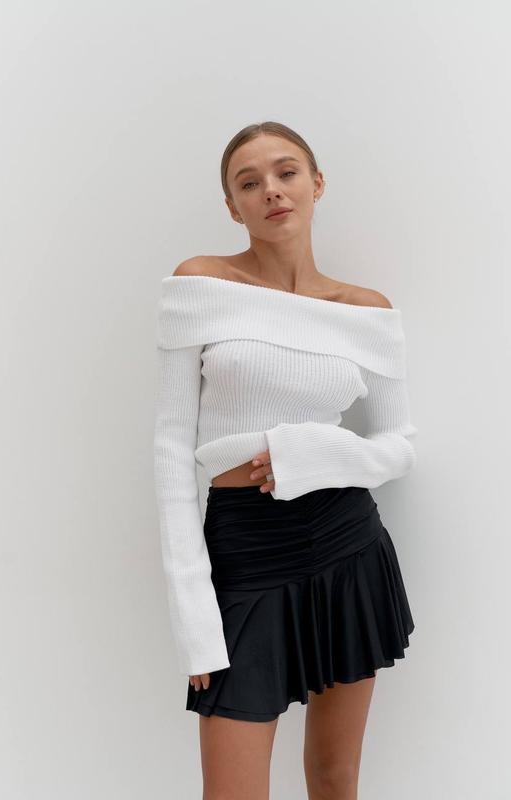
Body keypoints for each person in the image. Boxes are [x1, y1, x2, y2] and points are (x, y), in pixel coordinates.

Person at [153, 120, 417, 799]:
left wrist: (323, 452)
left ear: (316, 183)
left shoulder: (365, 310)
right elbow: (171, 450)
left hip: (346, 542)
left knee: (333, 777)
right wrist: (193, 616)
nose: (270, 189)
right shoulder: (200, 283)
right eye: (249, 182)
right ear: (232, 206)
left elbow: (399, 445)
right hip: (244, 547)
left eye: (286, 171)